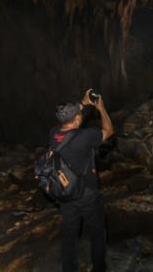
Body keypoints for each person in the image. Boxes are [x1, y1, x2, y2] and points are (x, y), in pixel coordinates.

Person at [51, 89, 114, 272]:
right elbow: (108, 130)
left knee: (69, 235)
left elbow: (68, 115)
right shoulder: (85, 137)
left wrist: (83, 103)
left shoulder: (53, 134)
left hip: (66, 193)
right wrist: (100, 108)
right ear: (77, 119)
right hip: (87, 193)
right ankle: (99, 268)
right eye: (79, 115)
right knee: (97, 233)